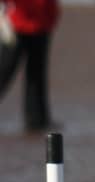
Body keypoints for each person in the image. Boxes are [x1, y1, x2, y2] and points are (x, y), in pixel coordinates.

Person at [0, 0, 59, 133]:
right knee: (4, 71)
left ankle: (37, 119)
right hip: (17, 22)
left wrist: (52, 16)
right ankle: (37, 120)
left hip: (42, 23)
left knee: (36, 74)